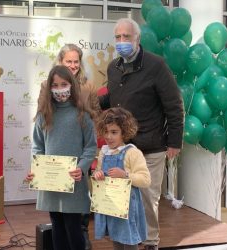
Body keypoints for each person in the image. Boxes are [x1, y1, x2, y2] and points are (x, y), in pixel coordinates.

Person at [99, 18, 184, 250]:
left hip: (150, 147)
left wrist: (174, 141)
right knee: (122, 198)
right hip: (121, 148)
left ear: (137, 39)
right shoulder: (113, 67)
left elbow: (174, 105)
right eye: (118, 37)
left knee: (146, 200)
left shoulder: (156, 65)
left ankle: (150, 243)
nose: (122, 41)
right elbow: (114, 98)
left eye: (126, 36)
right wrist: (92, 101)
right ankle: (127, 240)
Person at [27, 65, 97, 250]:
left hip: (73, 183)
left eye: (63, 84)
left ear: (72, 85)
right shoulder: (44, 115)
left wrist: (81, 168)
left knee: (74, 229)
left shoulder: (83, 115)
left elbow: (90, 147)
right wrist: (37, 170)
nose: (60, 89)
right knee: (57, 227)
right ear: (49, 88)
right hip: (51, 184)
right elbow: (37, 147)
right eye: (55, 85)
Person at [93, 107, 151, 250]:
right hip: (111, 205)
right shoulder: (104, 153)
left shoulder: (132, 153)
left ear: (124, 132)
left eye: (114, 132)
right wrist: (97, 175)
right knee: (116, 238)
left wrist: (125, 175)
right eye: (106, 131)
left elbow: (146, 179)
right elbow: (98, 172)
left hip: (128, 209)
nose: (109, 136)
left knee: (129, 241)